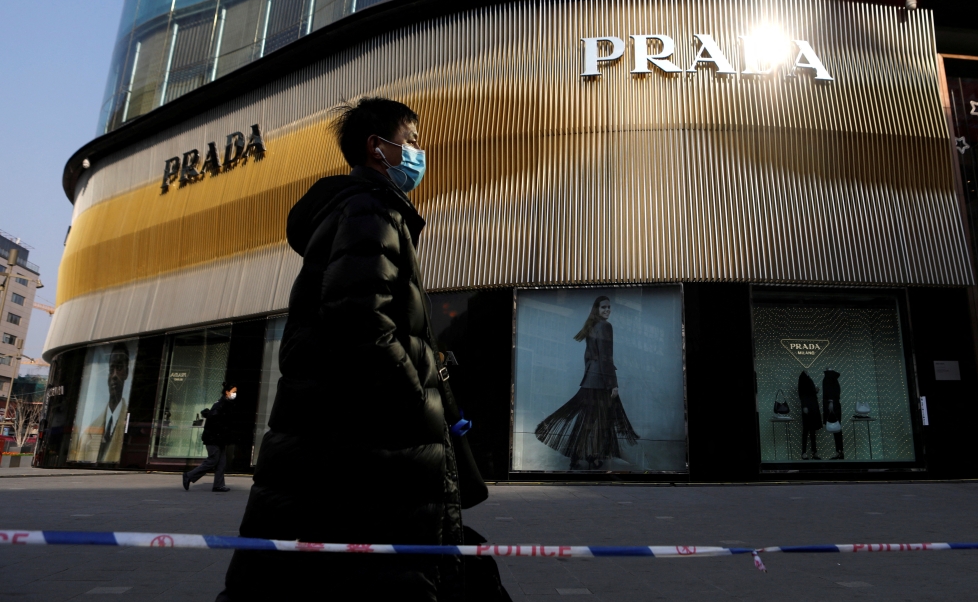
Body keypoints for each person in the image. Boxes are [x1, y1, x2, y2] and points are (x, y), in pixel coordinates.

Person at [218, 97, 474, 601]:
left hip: (340, 443)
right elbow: (361, 321)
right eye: (411, 141)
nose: (419, 153)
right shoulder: (370, 209)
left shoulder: (356, 209)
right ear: (377, 147)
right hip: (369, 447)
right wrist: (417, 401)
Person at [535, 296, 639, 470]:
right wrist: (613, 384)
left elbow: (588, 357)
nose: (607, 310)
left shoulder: (592, 327)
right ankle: (593, 457)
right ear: (596, 309)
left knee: (589, 421)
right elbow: (606, 357)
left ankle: (578, 457)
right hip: (601, 381)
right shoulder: (605, 326)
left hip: (592, 379)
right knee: (601, 422)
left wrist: (590, 374)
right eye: (604, 307)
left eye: (609, 307)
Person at [83, 342, 131, 464]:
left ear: (126, 373)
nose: (114, 375)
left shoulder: (130, 424)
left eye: (119, 368)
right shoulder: (90, 431)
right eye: (111, 369)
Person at [183, 385, 237, 492]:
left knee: (221, 462)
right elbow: (216, 423)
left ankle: (218, 485)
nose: (235, 394)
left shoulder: (226, 404)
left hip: (219, 439)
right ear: (227, 392)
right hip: (213, 439)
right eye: (233, 391)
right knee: (212, 461)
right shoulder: (220, 405)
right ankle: (189, 475)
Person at [797, 371, 821, 460]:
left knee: (810, 431)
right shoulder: (803, 378)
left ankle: (810, 452)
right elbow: (802, 393)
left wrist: (815, 391)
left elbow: (804, 393)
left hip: (810, 407)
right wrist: (804, 406)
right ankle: (808, 452)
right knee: (808, 431)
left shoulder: (805, 378)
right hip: (809, 407)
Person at [822, 369, 844, 460]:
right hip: (835, 405)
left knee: (836, 430)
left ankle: (839, 451)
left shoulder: (828, 379)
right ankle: (839, 451)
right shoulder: (834, 379)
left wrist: (830, 402)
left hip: (832, 406)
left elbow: (829, 391)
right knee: (837, 429)